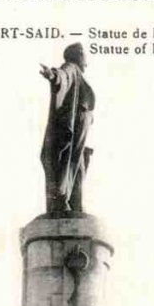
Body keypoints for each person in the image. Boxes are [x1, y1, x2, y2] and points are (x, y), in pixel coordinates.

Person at [40, 43, 95, 214]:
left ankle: (70, 201)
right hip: (77, 120)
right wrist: (53, 75)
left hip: (81, 121)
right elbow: (63, 76)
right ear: (78, 56)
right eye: (85, 56)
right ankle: (65, 199)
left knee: (75, 161)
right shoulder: (71, 68)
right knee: (70, 160)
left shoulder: (77, 72)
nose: (86, 61)